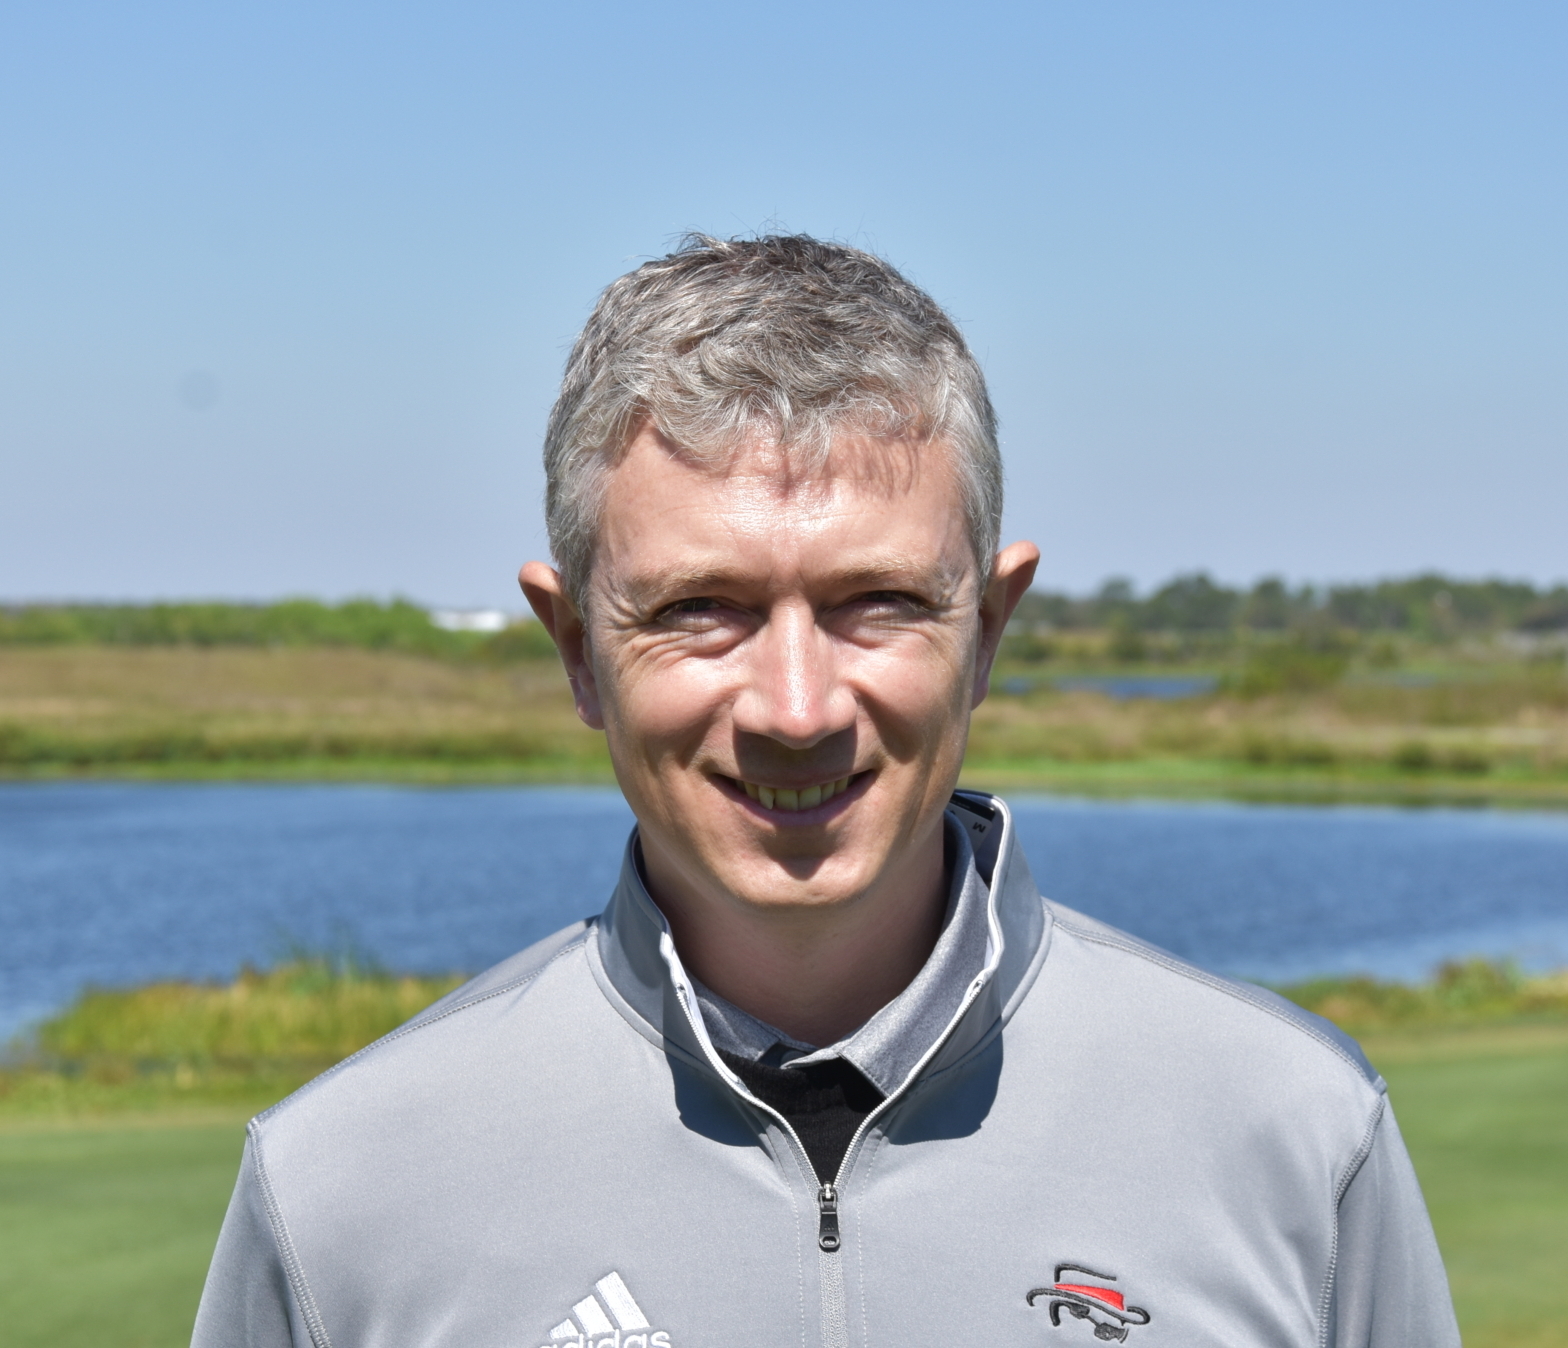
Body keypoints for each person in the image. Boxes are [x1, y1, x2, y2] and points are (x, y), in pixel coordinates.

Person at [193, 235, 1459, 1348]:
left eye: (876, 602)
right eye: (700, 608)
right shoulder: (342, 1186)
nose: (795, 709)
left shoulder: (1294, 1135)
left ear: (987, 631)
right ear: (576, 649)